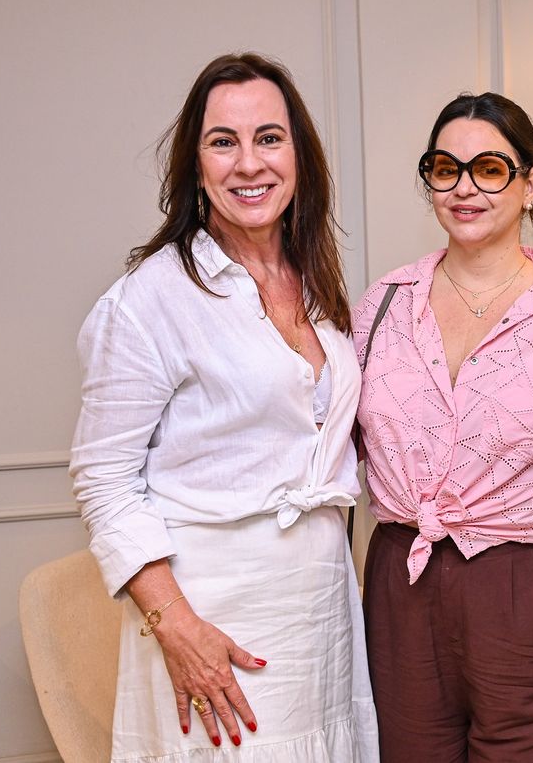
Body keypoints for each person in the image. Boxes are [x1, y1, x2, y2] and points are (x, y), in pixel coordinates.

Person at [70, 53, 378, 761]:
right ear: (195, 164)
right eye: (222, 142)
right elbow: (103, 483)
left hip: (321, 610)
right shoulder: (150, 299)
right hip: (211, 614)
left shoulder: (314, 282)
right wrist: (177, 628)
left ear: (298, 156)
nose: (249, 163)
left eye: (269, 138)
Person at [353, 92, 533, 762]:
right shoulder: (382, 307)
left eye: (489, 169)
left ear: (530, 182)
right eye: (445, 169)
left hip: (530, 592)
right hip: (402, 585)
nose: (465, 188)